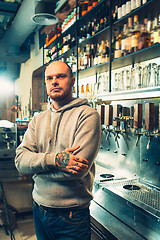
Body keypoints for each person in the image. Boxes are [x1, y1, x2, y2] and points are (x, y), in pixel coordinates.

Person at [15, 61, 101, 240]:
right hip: (39, 210)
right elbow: (20, 161)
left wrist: (36, 170)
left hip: (71, 217)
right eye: (50, 78)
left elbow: (77, 171)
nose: (54, 81)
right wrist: (55, 160)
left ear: (72, 81)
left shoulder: (87, 115)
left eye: (60, 76)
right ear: (45, 83)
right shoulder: (37, 120)